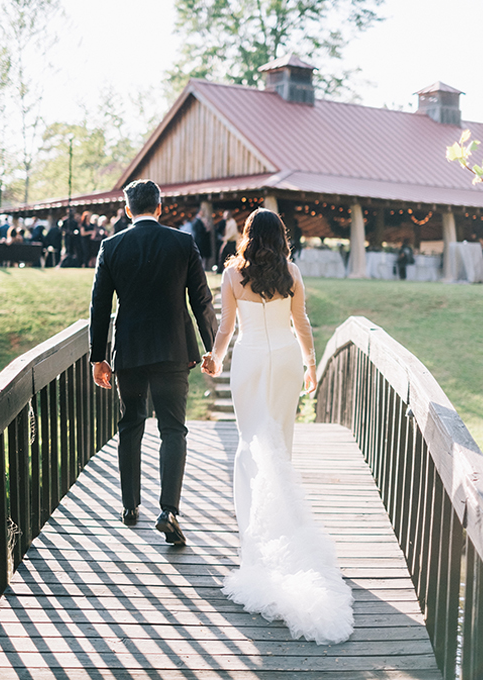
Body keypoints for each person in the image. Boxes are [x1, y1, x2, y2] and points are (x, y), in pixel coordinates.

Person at [202, 208, 353, 644]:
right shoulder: (290, 271)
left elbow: (227, 327)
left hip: (250, 361)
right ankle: (285, 529)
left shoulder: (234, 274)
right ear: (281, 236)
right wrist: (310, 364)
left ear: (247, 235)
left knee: (250, 444)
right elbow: (300, 322)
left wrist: (216, 356)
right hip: (286, 357)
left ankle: (254, 537)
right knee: (280, 445)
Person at [89, 179, 218, 546]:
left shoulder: (111, 246)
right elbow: (201, 300)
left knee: (131, 424)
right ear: (160, 208)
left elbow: (99, 306)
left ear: (127, 210)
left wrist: (98, 357)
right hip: (173, 350)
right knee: (172, 429)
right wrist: (211, 348)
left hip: (128, 352)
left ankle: (130, 506)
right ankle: (169, 511)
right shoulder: (182, 243)